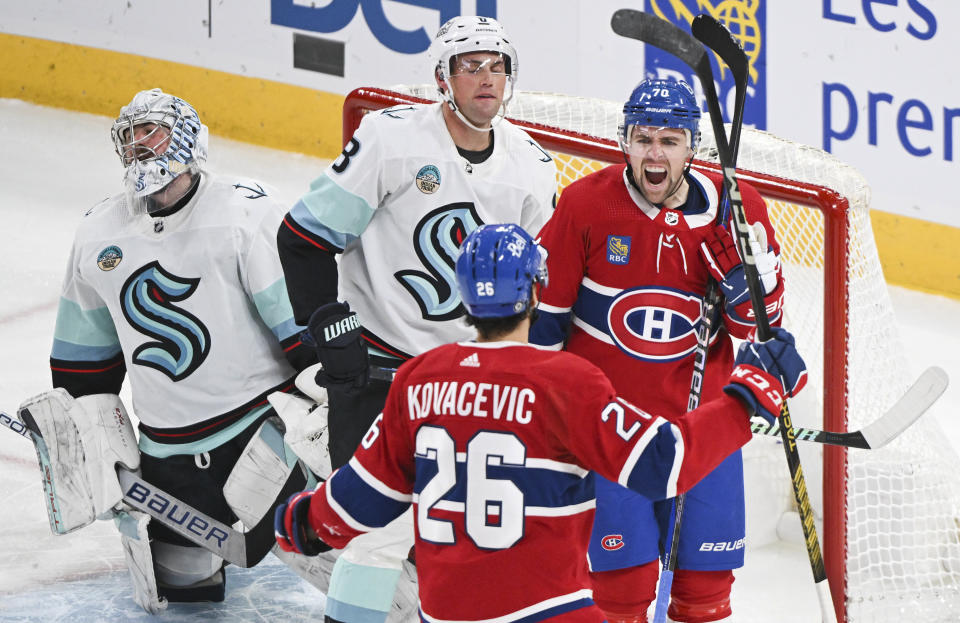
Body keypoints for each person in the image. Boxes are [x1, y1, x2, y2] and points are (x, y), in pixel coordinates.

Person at [273, 223, 807, 622]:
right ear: (535, 290)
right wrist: (747, 398)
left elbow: (358, 499)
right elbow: (659, 465)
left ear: (464, 294)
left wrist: (301, 523)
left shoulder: (418, 380)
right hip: (548, 612)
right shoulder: (565, 382)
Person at [276, 15, 557, 622]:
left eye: (496, 65)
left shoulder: (532, 167)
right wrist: (331, 330)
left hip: (464, 376)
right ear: (443, 77)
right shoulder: (390, 140)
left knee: (469, 533)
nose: (486, 78)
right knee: (374, 535)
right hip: (379, 367)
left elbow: (533, 290)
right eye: (469, 65)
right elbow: (302, 238)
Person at [44, 88, 314, 612]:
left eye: (154, 132)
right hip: (167, 454)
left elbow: (300, 328)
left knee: (334, 561)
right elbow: (83, 362)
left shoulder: (244, 210)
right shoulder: (99, 231)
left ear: (189, 139)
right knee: (186, 591)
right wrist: (88, 438)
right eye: (132, 138)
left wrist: (331, 406)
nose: (141, 147)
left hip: (261, 437)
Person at [529, 79, 786, 623]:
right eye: (643, 138)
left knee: (706, 592)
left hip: (702, 431)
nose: (654, 153)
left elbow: (763, 327)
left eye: (670, 141)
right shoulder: (586, 205)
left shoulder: (738, 209)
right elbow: (544, 325)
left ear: (693, 146)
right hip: (608, 432)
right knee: (618, 591)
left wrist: (747, 292)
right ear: (624, 141)